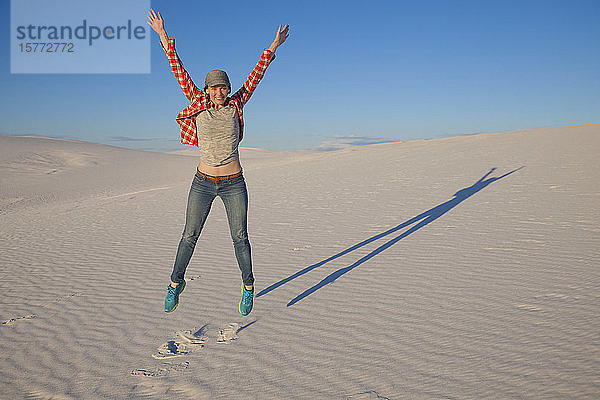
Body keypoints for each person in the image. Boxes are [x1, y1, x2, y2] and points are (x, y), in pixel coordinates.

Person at [146, 9, 289, 315]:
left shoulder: (236, 103)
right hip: (203, 182)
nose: (219, 92)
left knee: (240, 236)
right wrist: (162, 35)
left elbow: (255, 77)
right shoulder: (198, 104)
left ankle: (248, 287)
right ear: (207, 90)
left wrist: (273, 48)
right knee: (189, 234)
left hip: (233, 183)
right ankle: (175, 284)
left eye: (223, 87)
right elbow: (178, 71)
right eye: (214, 87)